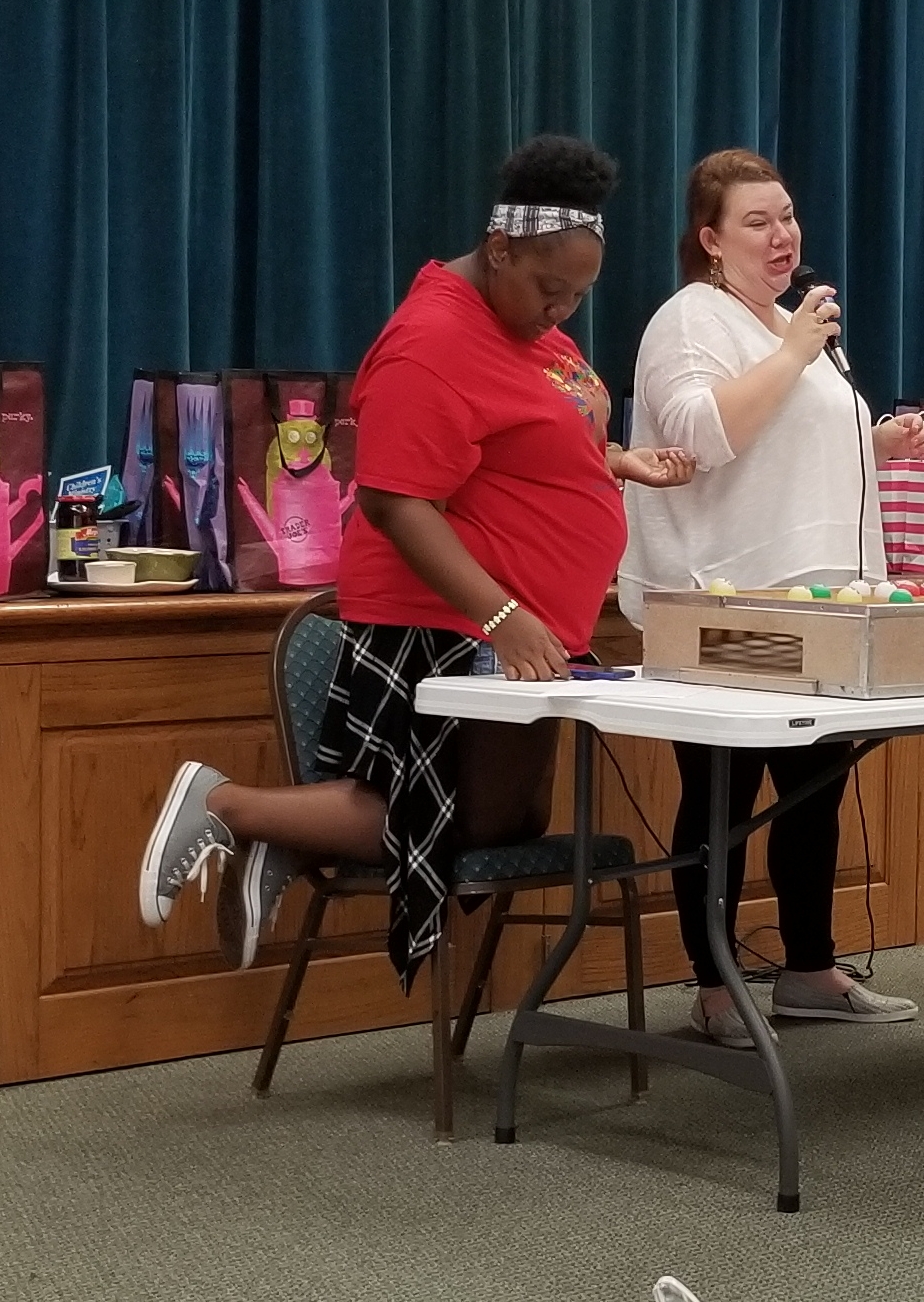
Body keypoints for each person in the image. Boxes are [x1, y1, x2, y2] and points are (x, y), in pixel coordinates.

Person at [137, 134, 695, 986]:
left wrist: (614, 461)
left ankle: (281, 832)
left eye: (581, 294)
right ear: (500, 249)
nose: (563, 311)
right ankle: (224, 804)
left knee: (506, 812)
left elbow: (535, 434)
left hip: (516, 624)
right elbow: (397, 500)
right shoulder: (430, 341)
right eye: (552, 288)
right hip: (444, 624)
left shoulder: (527, 326)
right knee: (467, 815)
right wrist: (502, 617)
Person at [618, 148, 924, 1046]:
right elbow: (701, 437)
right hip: (721, 608)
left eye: (787, 215)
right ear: (711, 240)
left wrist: (875, 443)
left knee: (812, 792)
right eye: (757, 221)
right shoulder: (690, 320)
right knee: (720, 795)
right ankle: (715, 987)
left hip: (820, 606)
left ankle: (808, 970)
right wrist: (797, 349)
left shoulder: (789, 329)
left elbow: (785, 457)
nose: (781, 234)